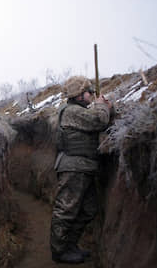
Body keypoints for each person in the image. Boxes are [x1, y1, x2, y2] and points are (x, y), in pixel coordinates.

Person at [50, 76, 113, 264]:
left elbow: (100, 118)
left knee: (89, 209)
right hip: (74, 169)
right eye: (89, 92)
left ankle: (70, 245)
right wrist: (102, 106)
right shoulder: (72, 112)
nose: (92, 95)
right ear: (78, 96)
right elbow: (99, 121)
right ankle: (59, 252)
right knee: (65, 210)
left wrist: (107, 107)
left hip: (83, 168)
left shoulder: (77, 111)